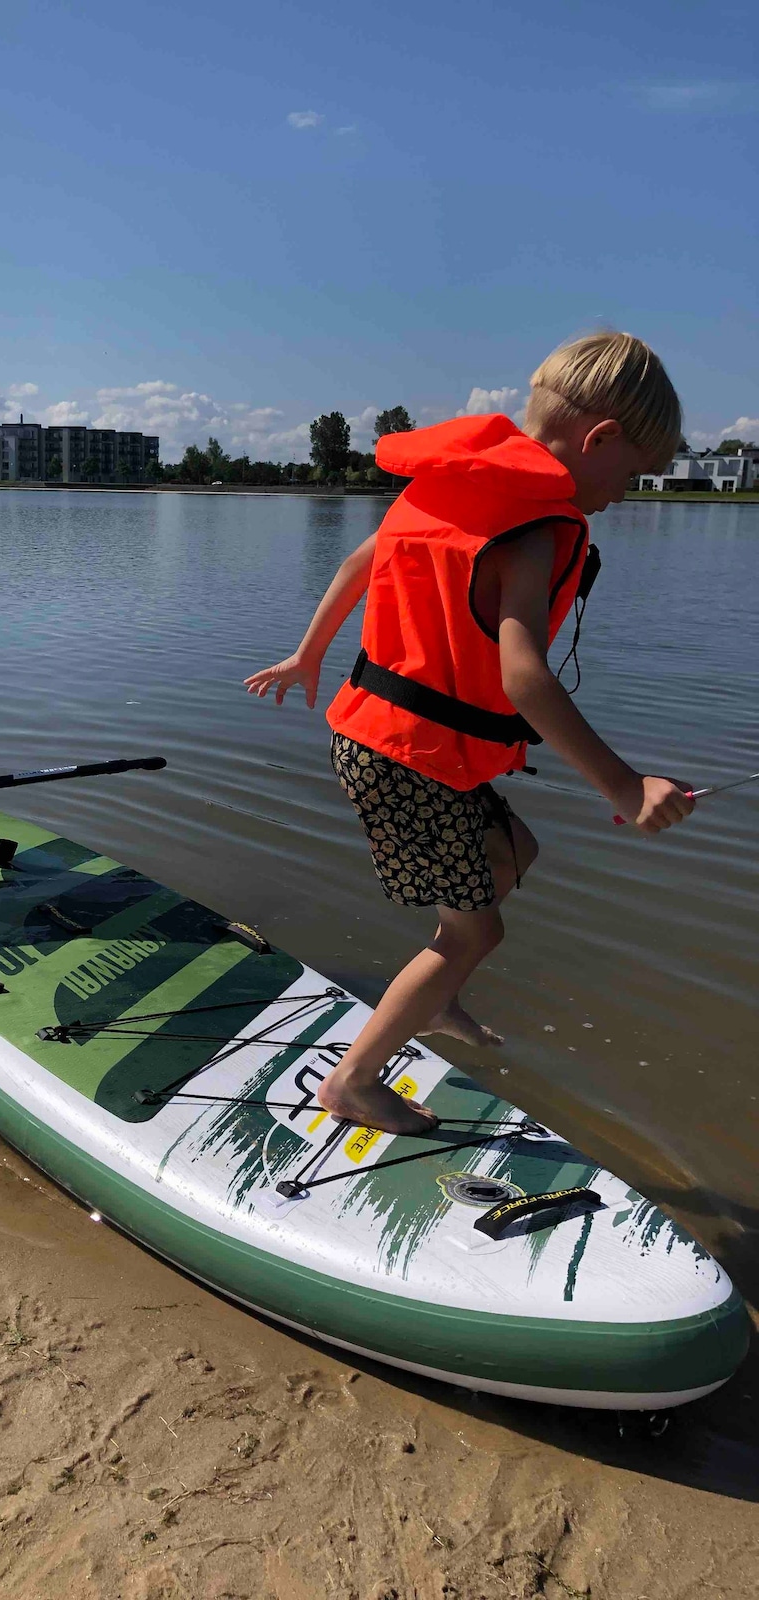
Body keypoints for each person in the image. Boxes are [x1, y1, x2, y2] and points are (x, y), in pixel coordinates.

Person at [244, 332, 694, 1135]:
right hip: (410, 759)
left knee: (514, 851)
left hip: (385, 742)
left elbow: (358, 564)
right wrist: (626, 787)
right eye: (632, 475)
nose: (626, 495)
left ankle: (437, 997)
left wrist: (307, 653)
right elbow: (523, 675)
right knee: (474, 928)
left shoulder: (449, 485)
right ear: (600, 440)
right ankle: (352, 1080)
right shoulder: (535, 526)